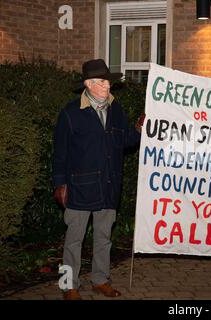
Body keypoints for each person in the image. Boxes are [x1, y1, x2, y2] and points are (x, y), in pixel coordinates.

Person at [52, 59, 144, 300]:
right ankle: (68, 285)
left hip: (109, 186)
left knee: (104, 238)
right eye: (103, 82)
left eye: (108, 82)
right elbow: (60, 152)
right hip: (79, 187)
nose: (108, 86)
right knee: (74, 240)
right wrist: (60, 184)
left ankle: (100, 280)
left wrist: (138, 130)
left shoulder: (116, 109)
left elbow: (125, 142)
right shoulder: (71, 113)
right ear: (89, 84)